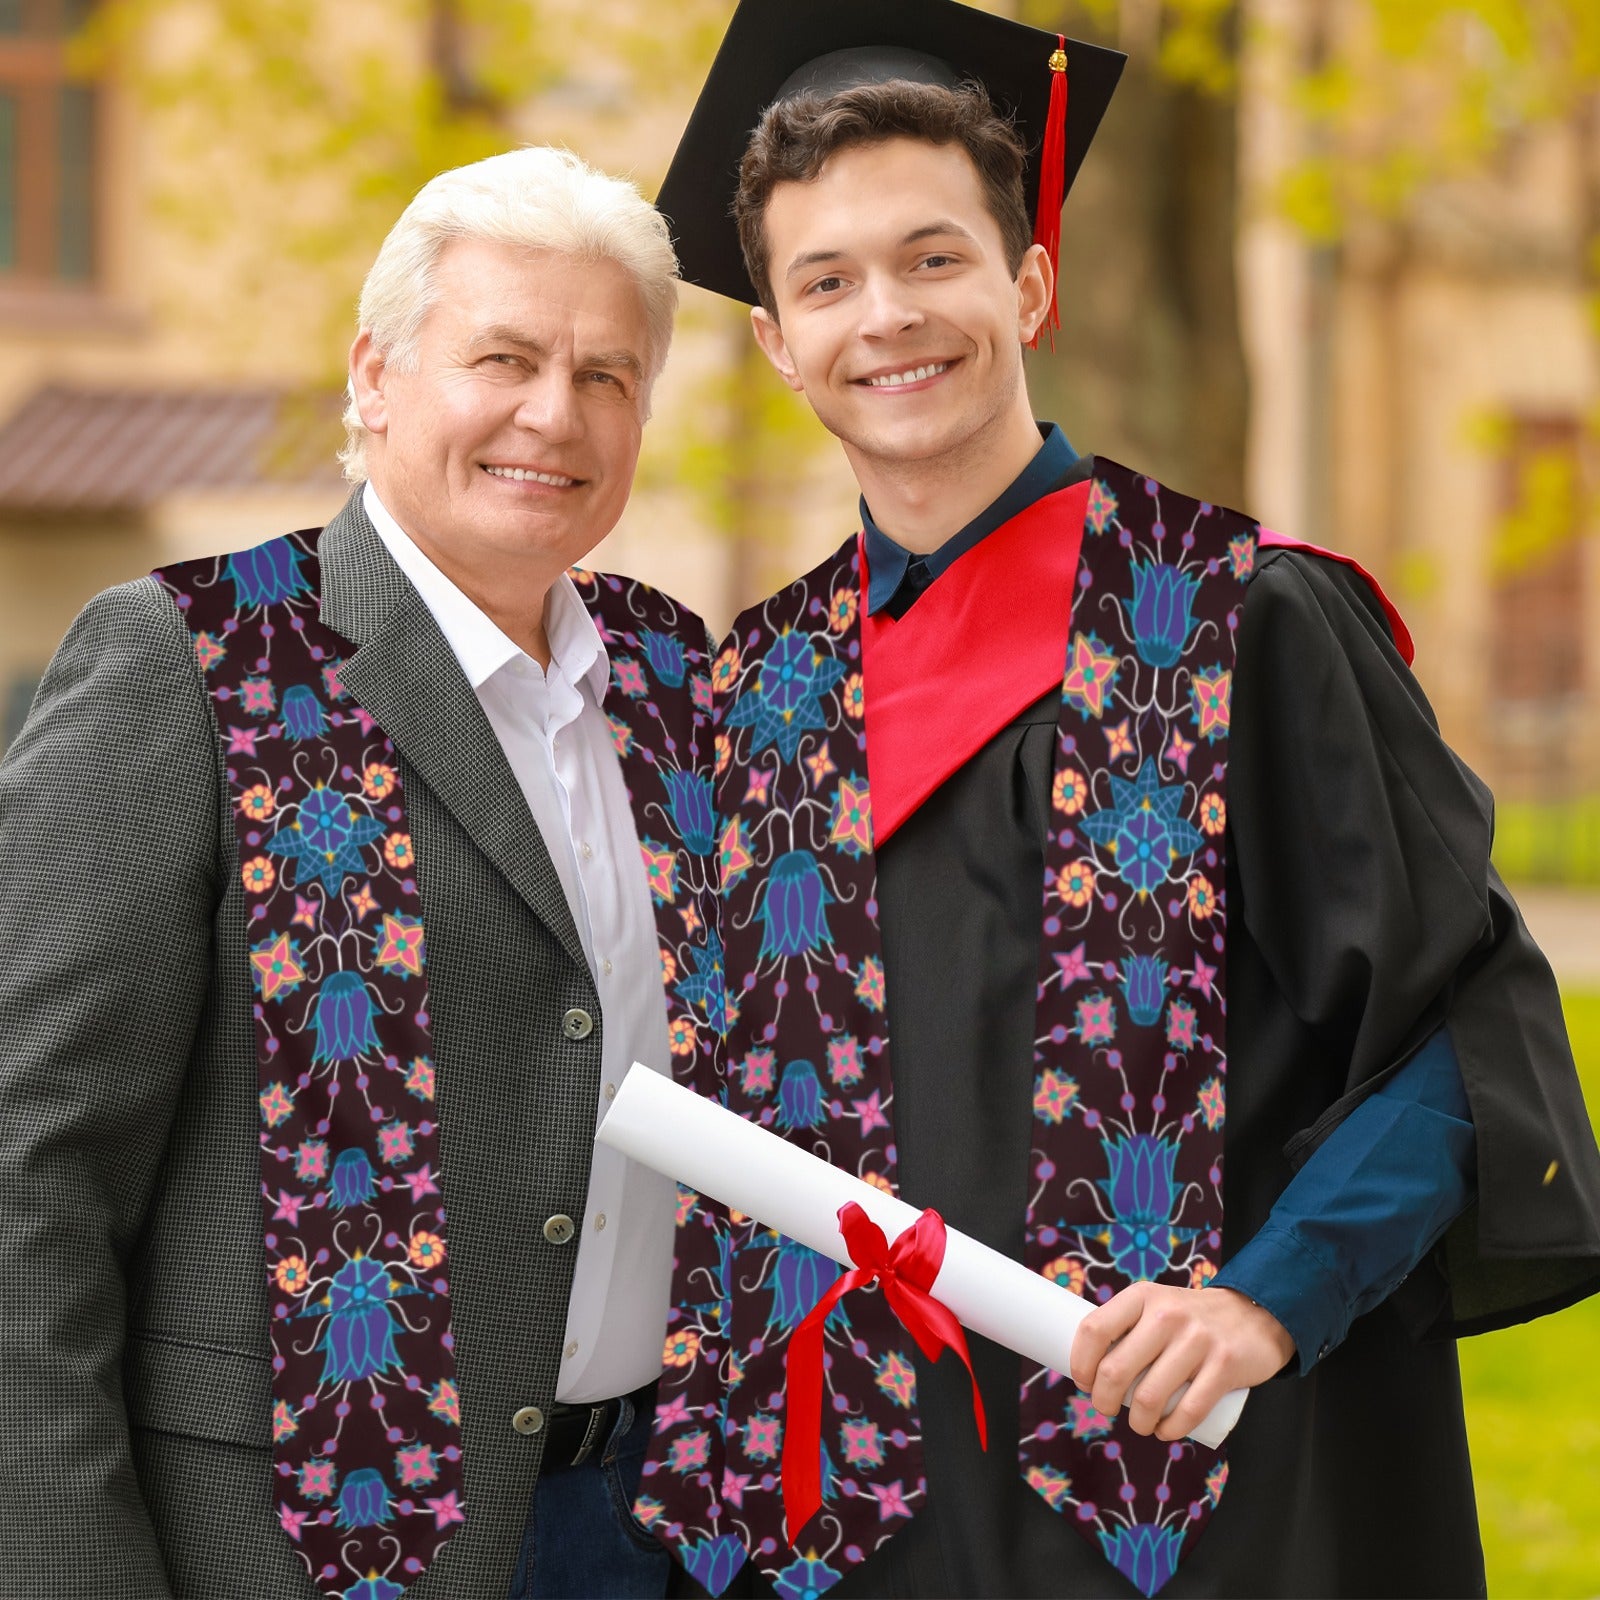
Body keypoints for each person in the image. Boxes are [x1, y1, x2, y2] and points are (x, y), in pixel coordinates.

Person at [635, 3, 1600, 1597]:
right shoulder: (760, 690)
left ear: (1029, 282)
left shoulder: (1246, 622)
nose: (887, 316)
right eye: (827, 281)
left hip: (1194, 1500)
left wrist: (1269, 1299)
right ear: (777, 341)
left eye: (934, 259)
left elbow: (1461, 1032)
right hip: (853, 1527)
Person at [0, 146, 719, 1600]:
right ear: (375, 377)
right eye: (503, 357)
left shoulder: (678, 677)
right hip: (297, 1550)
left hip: (654, 1532)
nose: (552, 414)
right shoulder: (191, 661)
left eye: (605, 375)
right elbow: (29, 1171)